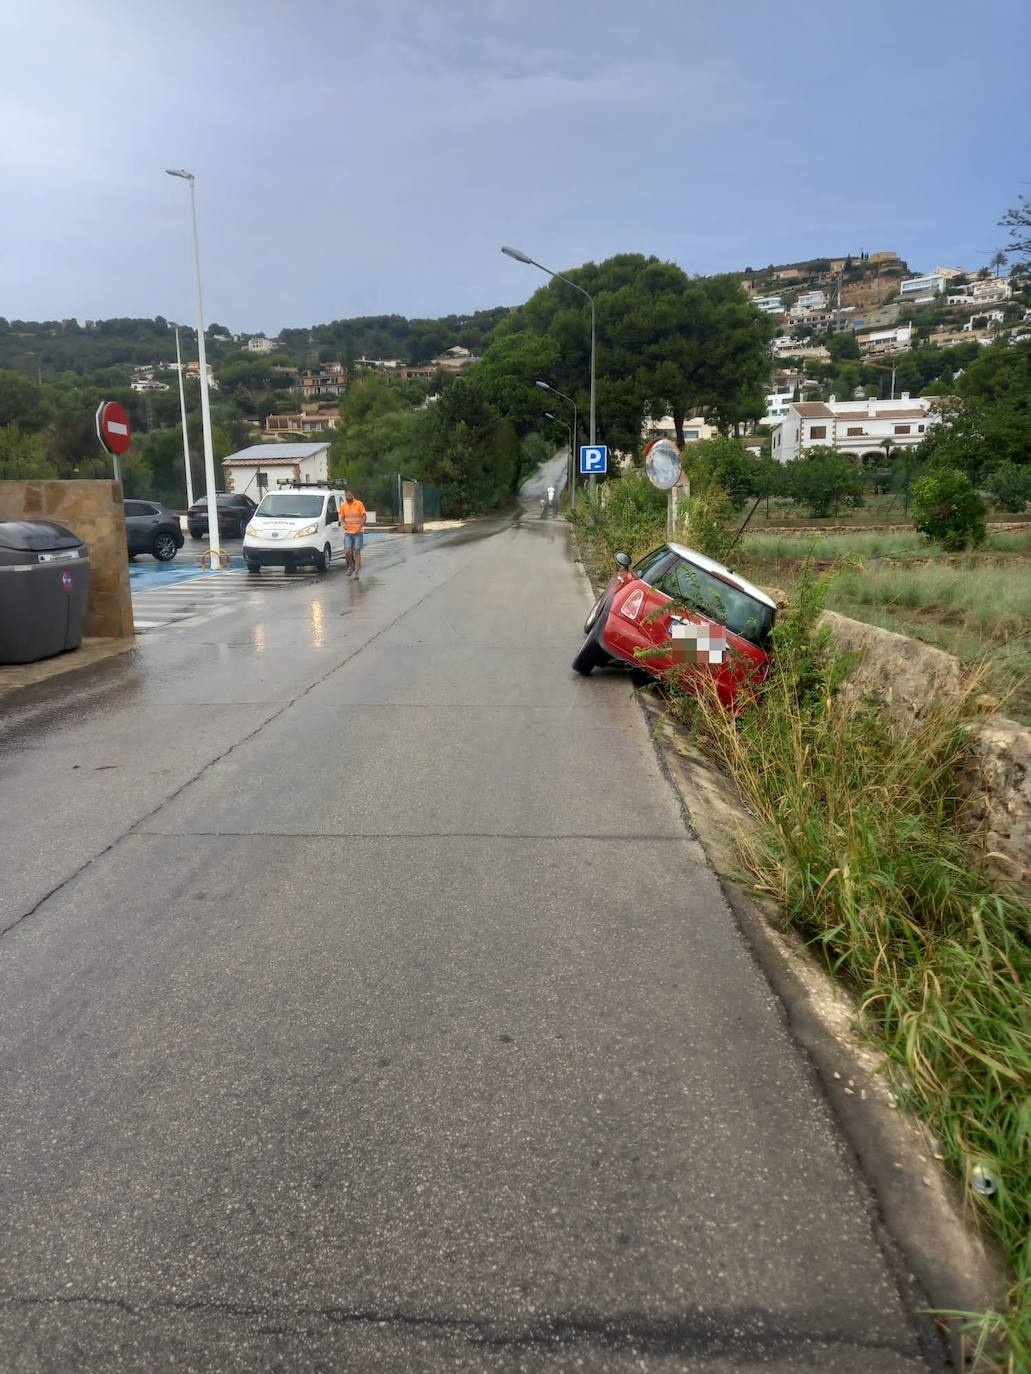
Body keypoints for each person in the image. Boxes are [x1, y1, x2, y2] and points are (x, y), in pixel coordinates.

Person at [340, 487, 367, 577]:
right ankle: (351, 565)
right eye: (346, 496)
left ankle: (356, 572)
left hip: (358, 533)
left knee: (357, 552)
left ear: (352, 495)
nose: (347, 497)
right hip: (348, 532)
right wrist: (343, 523)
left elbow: (364, 516)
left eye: (349, 495)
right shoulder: (343, 506)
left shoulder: (359, 504)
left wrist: (360, 526)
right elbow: (342, 517)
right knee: (347, 551)